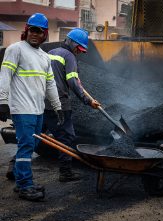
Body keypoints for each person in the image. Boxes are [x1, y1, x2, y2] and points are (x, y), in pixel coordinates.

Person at [0, 13, 64, 201]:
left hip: (38, 110)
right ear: (26, 31)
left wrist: (57, 107)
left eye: (39, 31)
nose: (34, 34)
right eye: (32, 30)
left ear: (44, 34)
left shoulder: (45, 57)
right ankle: (25, 185)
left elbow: (50, 84)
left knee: (33, 144)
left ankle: (21, 180)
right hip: (22, 109)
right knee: (27, 145)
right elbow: (5, 75)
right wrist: (2, 101)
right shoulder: (15, 49)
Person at [45, 28, 100, 182]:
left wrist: (75, 79)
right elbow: (71, 82)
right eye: (79, 48)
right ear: (70, 42)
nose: (78, 52)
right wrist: (88, 101)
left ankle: (15, 165)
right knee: (67, 136)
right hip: (60, 103)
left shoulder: (51, 52)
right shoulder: (69, 56)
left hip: (42, 102)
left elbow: (63, 76)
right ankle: (65, 172)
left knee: (35, 134)